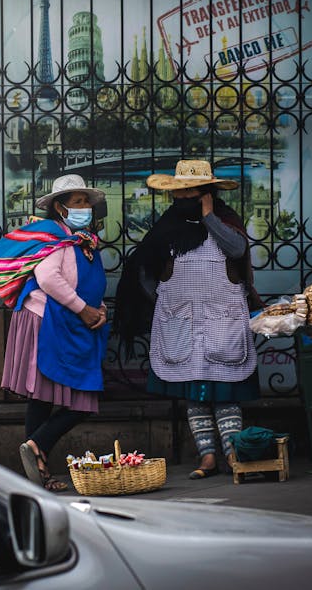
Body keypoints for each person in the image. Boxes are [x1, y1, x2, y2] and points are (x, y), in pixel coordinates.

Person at [114, 160, 263, 479]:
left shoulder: (225, 222)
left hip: (223, 324)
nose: (185, 197)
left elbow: (237, 251)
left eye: (192, 191)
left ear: (206, 193)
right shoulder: (167, 228)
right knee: (193, 396)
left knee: (226, 393)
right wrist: (167, 304)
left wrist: (208, 217)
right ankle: (207, 457)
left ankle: (232, 453)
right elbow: (144, 272)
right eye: (180, 192)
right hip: (181, 325)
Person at [0, 174, 109, 491]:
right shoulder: (55, 238)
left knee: (46, 398)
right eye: (79, 202)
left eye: (87, 201)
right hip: (45, 321)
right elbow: (48, 278)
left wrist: (99, 309)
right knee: (66, 398)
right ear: (60, 207)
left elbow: (81, 283)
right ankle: (37, 456)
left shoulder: (79, 239)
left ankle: (36, 457)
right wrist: (84, 309)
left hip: (66, 321)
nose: (86, 207)